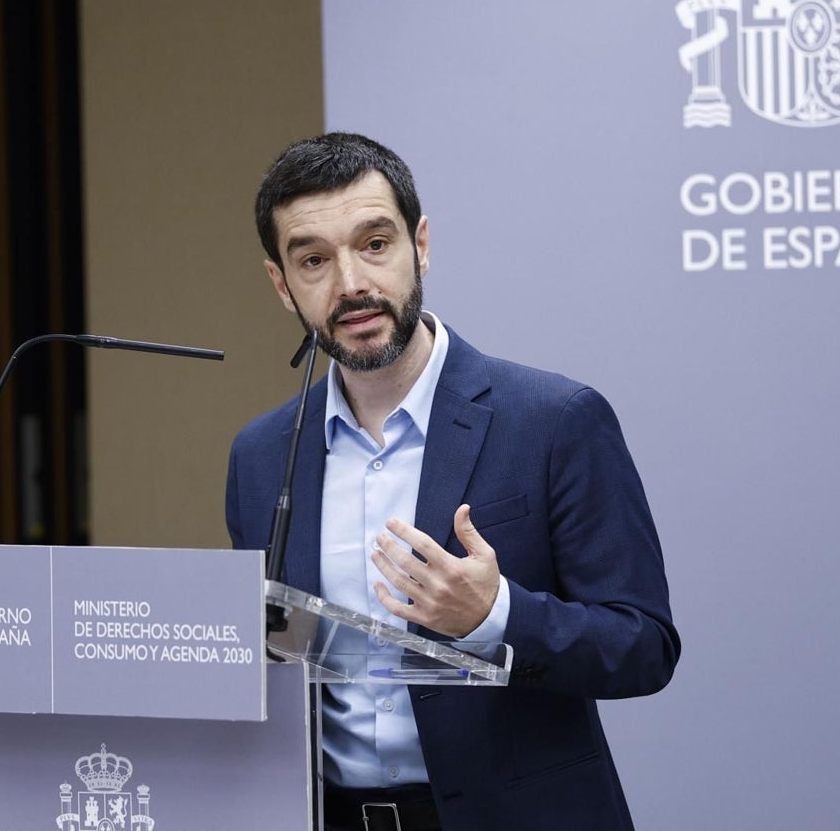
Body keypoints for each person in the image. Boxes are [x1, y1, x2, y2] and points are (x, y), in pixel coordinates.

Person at [226, 132, 680, 831]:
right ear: (282, 285)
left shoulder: (555, 422)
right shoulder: (261, 457)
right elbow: (273, 657)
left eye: (375, 244)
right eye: (314, 259)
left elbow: (642, 646)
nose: (350, 284)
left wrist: (494, 614)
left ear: (422, 245)